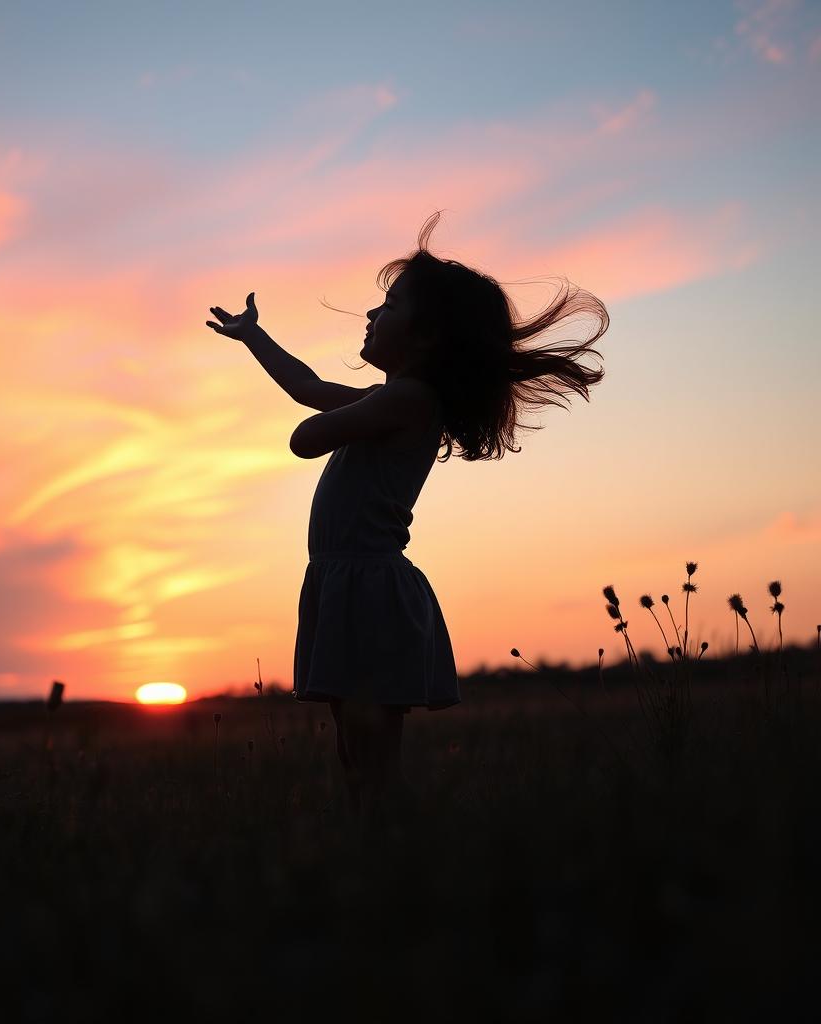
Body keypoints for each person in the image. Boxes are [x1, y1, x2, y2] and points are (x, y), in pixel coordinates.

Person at [206, 210, 609, 832]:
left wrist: (321, 425)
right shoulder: (393, 400)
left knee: (373, 757)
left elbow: (305, 436)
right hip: (345, 582)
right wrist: (254, 337)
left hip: (369, 588)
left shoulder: (408, 400)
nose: (370, 316)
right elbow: (309, 388)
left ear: (426, 338)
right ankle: (380, 854)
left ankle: (398, 859)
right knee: (353, 752)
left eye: (388, 306)